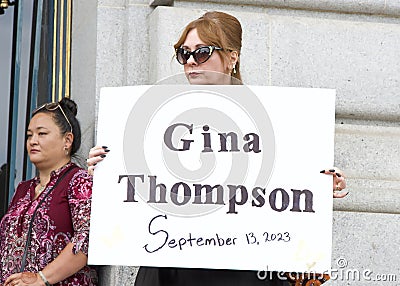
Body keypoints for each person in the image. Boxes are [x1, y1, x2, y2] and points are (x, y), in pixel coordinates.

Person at [87, 11, 347, 286]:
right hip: (175, 267)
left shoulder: (274, 119)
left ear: (232, 57)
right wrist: (107, 172)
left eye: (202, 52)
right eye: (183, 53)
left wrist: (319, 184)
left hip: (243, 269)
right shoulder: (161, 117)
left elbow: (286, 194)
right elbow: (142, 189)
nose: (189, 62)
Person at [0, 98, 98, 285]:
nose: (33, 141)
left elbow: (87, 239)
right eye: (29, 135)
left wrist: (41, 278)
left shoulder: (79, 181)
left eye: (42, 133)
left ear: (67, 140)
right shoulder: (22, 189)